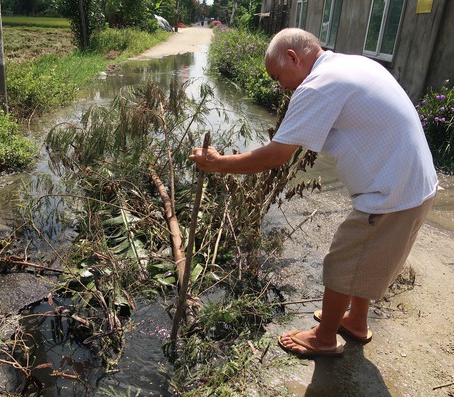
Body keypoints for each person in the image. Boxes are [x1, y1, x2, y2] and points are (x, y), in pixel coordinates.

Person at [188, 28, 438, 358]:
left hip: (392, 192)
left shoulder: (319, 85)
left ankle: (323, 338)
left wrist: (217, 164)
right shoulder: (352, 65)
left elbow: (275, 156)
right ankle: (356, 321)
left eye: (278, 76)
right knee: (365, 256)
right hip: (414, 184)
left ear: (293, 57)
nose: (281, 86)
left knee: (342, 261)